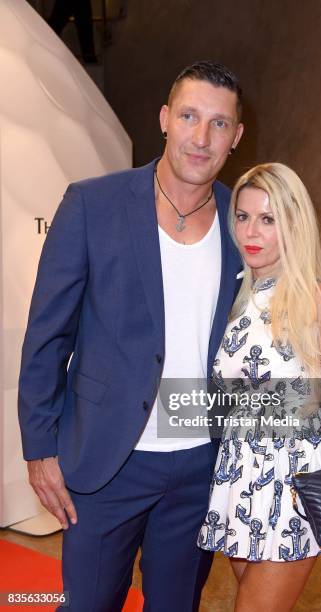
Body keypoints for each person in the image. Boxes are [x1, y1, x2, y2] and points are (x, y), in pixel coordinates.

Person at [18, 60, 244, 611]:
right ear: (165, 119)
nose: (201, 136)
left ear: (236, 137)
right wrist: (40, 449)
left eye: (219, 124)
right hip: (107, 460)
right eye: (189, 116)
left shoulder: (244, 219)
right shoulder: (92, 204)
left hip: (200, 464)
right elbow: (48, 335)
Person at [197, 162, 321, 611]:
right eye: (243, 216)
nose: (252, 231)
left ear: (294, 224)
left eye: (269, 219)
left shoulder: (318, 300)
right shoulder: (236, 296)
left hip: (294, 478)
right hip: (240, 474)